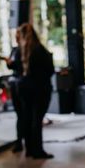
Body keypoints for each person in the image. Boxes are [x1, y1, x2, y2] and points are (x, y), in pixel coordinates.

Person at [16, 23, 55, 159]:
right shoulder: (39, 50)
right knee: (36, 120)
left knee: (27, 118)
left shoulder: (18, 51)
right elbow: (50, 70)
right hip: (39, 89)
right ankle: (37, 150)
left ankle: (29, 149)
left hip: (24, 88)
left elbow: (16, 69)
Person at [0, 37, 24, 153]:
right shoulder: (14, 50)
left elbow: (20, 66)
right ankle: (19, 141)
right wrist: (8, 62)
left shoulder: (25, 50)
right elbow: (11, 66)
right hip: (15, 85)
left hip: (23, 84)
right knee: (19, 114)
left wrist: (13, 63)